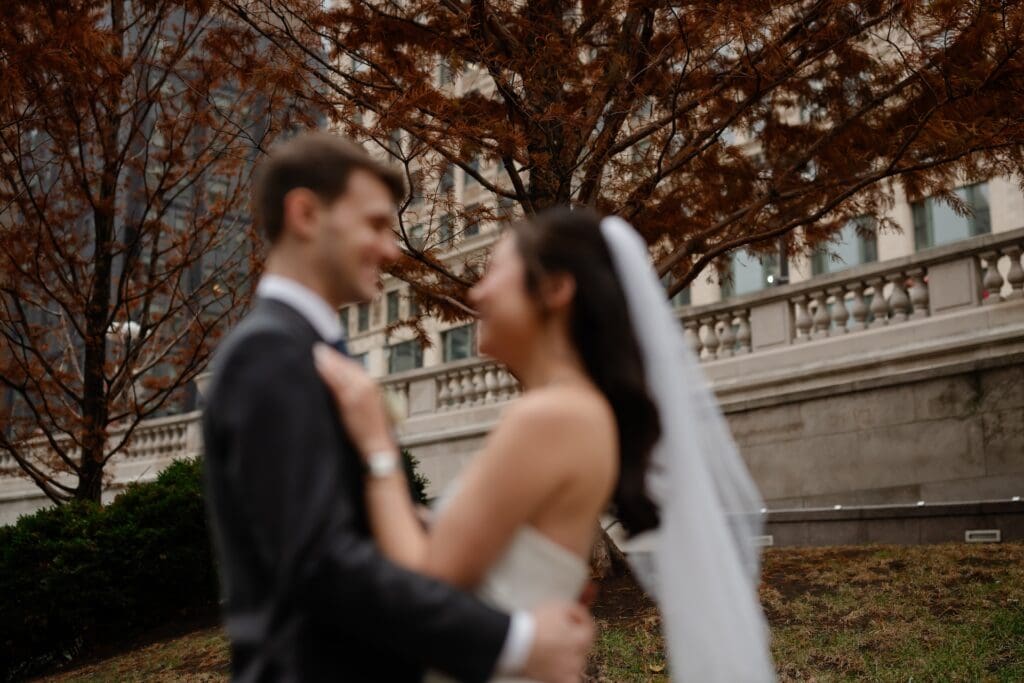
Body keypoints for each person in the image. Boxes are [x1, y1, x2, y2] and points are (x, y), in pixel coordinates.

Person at [315, 207, 778, 682]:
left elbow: (427, 581)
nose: (476, 292)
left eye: (495, 271)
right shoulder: (582, 412)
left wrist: (376, 446)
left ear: (556, 288)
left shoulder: (550, 417)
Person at [201, 132, 594, 683]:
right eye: (376, 225)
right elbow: (320, 562)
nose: (391, 250)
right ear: (306, 214)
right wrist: (514, 641)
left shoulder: (310, 352)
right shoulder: (266, 354)